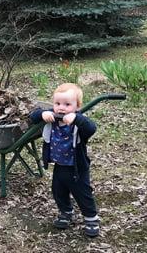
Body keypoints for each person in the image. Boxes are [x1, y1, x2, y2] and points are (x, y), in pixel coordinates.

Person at [29, 83, 100, 237]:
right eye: (58, 103)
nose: (61, 108)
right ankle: (66, 212)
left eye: (67, 105)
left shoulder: (79, 123)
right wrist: (42, 114)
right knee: (58, 191)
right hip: (59, 166)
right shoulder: (52, 116)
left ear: (77, 106)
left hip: (77, 168)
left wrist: (76, 118)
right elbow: (32, 117)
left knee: (82, 193)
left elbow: (91, 128)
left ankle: (91, 218)